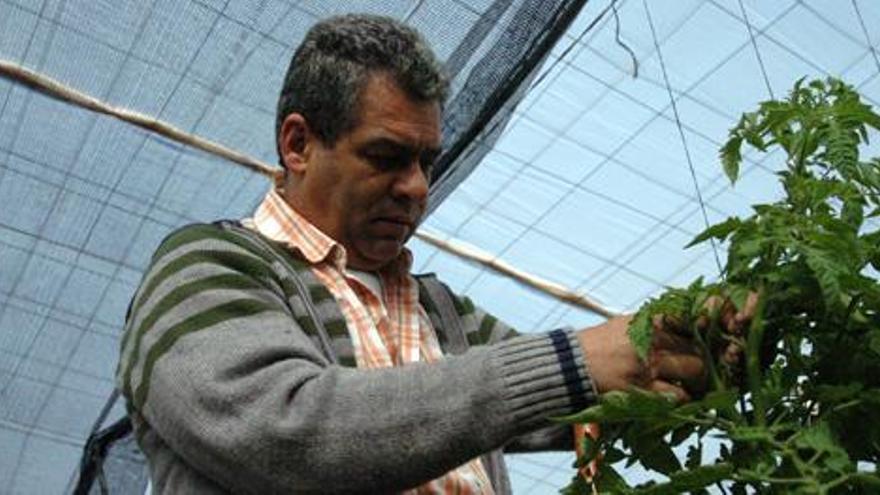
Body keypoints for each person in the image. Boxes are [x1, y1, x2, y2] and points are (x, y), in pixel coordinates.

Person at [116, 14, 733, 494]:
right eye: (386, 157)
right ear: (299, 143)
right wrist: (570, 365)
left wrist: (695, 344)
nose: (416, 187)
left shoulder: (437, 309)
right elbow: (283, 435)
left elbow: (575, 398)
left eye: (427, 161)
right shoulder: (211, 266)